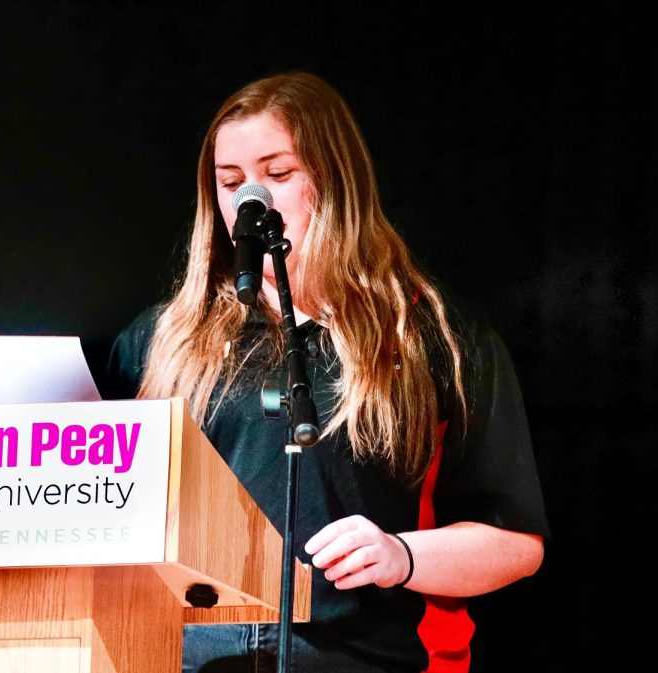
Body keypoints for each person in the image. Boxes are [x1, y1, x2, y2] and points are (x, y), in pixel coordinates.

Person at [102, 72, 548, 673]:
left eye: (278, 175)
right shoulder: (160, 342)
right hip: (185, 657)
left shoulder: (433, 338)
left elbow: (514, 541)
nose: (250, 200)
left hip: (370, 656)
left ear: (334, 178)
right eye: (231, 183)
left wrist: (402, 554)